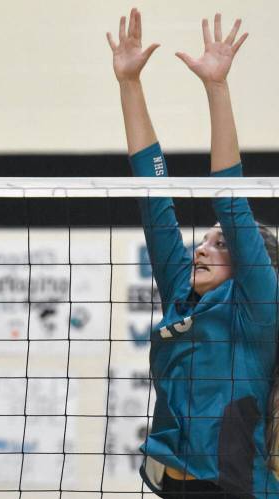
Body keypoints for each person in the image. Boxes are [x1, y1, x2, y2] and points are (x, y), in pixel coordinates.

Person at [108, 8, 279, 497]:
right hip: (175, 488)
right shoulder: (181, 296)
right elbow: (153, 195)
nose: (201, 249)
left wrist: (216, 87)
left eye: (220, 244)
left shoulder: (258, 307)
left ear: (248, 264)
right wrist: (129, 84)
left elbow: (231, 201)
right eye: (203, 239)